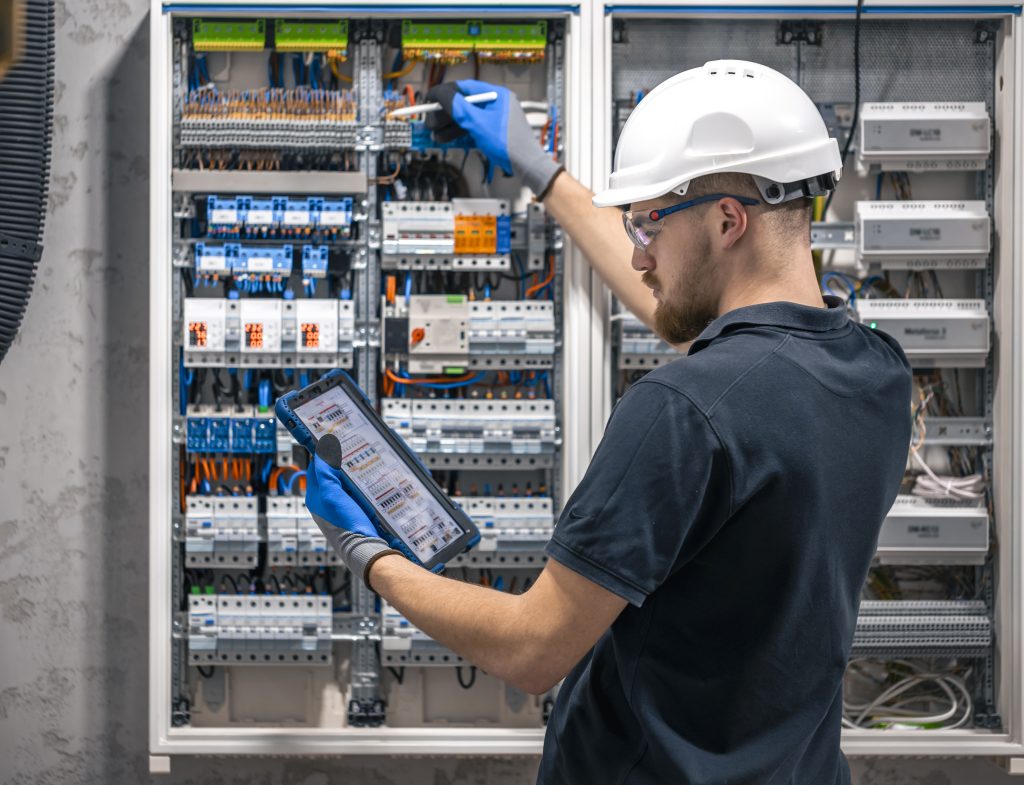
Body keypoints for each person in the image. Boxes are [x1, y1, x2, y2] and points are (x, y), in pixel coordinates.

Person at [306, 60, 913, 785]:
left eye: (649, 220)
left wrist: (370, 555)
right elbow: (692, 321)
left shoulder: (681, 409)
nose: (637, 250)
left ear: (728, 220)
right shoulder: (876, 372)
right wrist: (540, 168)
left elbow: (532, 650)